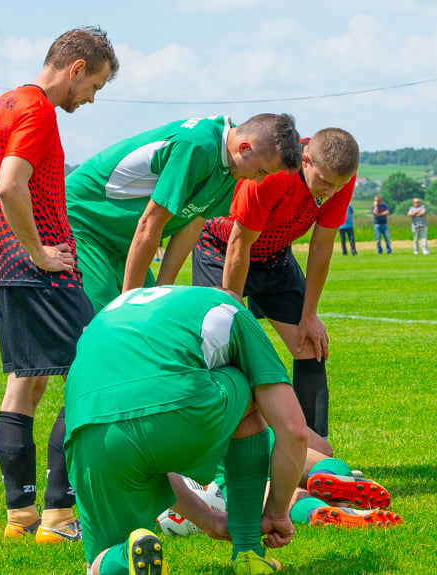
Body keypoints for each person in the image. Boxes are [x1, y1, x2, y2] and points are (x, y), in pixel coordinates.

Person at [0, 26, 119, 541]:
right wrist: (39, 252)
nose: (91, 98)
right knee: (96, 372)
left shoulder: (3, 105)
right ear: (76, 68)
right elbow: (7, 182)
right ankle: (59, 513)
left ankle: (20, 518)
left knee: (25, 385)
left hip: (5, 268)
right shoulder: (38, 110)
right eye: (95, 86)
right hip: (41, 270)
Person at [63, 285, 309, 575]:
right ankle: (249, 552)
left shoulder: (124, 305)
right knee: (249, 381)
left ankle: (123, 557)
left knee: (100, 559)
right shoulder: (231, 310)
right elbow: (294, 431)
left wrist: (210, 521)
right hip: (178, 414)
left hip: (89, 431)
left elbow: (148, 451)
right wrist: (277, 513)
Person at [192, 128, 360, 439]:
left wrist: (309, 315)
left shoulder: (337, 180)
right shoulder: (273, 174)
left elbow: (322, 246)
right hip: (222, 249)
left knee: (311, 345)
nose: (331, 192)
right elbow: (239, 245)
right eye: (324, 182)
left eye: (340, 185)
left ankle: (311, 454)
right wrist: (231, 312)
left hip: (273, 254)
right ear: (305, 161)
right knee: (222, 351)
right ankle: (218, 452)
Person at [65, 114, 301, 313]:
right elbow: (150, 223)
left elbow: (191, 224)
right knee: (106, 320)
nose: (258, 180)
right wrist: (130, 304)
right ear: (244, 148)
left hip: (120, 241)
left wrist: (159, 293)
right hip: (84, 224)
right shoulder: (198, 146)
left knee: (148, 315)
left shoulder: (231, 166)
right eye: (260, 170)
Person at [160, 429, 402, 536]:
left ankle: (317, 510)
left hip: (216, 469)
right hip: (255, 432)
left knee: (275, 496)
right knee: (317, 458)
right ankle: (327, 474)